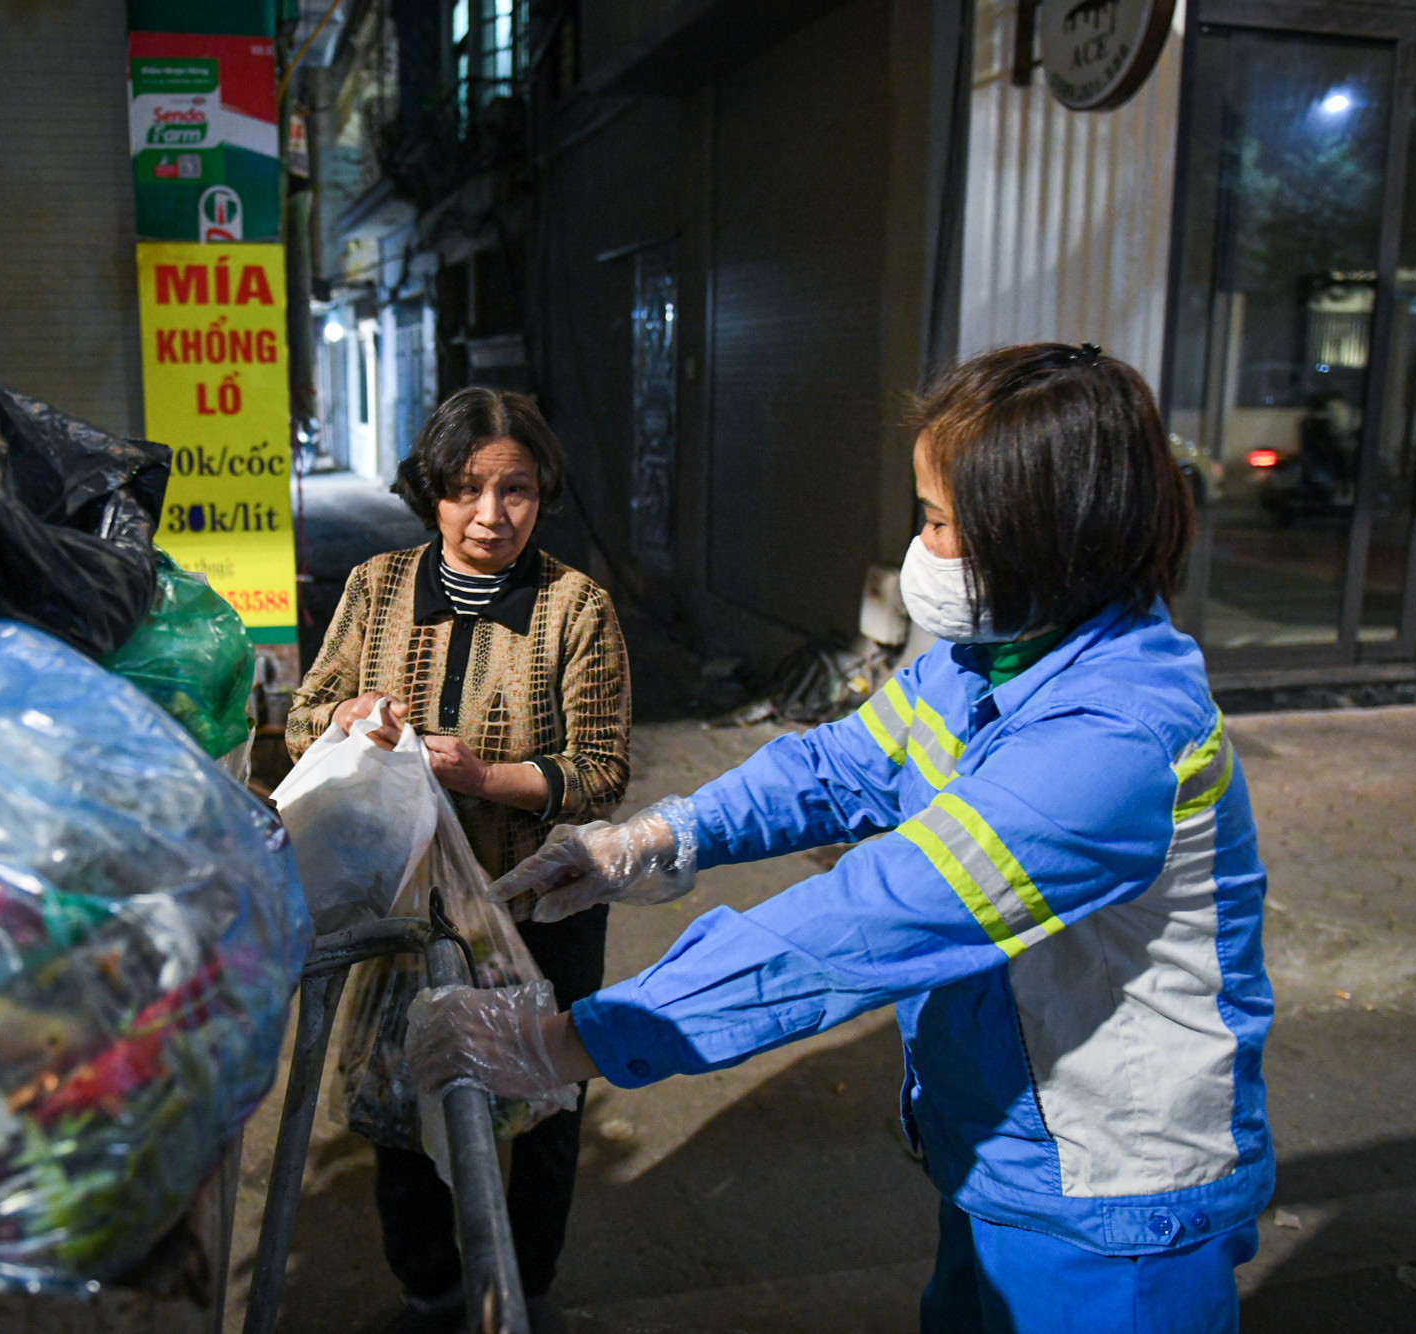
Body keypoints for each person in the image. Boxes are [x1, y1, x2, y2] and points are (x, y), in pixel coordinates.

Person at [406, 344, 1275, 1334]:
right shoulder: (988, 653)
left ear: (1041, 536)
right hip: (1004, 1148)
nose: (922, 549)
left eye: (941, 521)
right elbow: (840, 765)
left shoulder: (1112, 738)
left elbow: (866, 923)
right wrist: (654, 836)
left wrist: (563, 1039)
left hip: (1114, 1203)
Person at [286, 387, 630, 1334]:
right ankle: (430, 1290)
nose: (490, 516)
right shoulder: (376, 587)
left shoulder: (575, 609)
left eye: (515, 491)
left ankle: (525, 1294)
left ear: (541, 493)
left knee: (545, 1107)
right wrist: (348, 719)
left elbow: (601, 773)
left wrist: (489, 776)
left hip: (543, 908)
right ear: (430, 492)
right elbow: (305, 717)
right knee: (408, 1100)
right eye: (466, 489)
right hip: (409, 905)